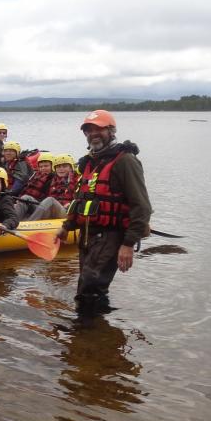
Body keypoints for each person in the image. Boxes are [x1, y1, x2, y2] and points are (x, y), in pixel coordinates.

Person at [57, 110, 152, 314]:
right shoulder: (89, 162)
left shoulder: (125, 160)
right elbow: (80, 199)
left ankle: (87, 334)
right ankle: (92, 332)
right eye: (89, 130)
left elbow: (141, 205)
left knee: (90, 287)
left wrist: (128, 244)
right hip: (88, 235)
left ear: (111, 130)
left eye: (99, 129)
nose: (93, 134)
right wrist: (67, 226)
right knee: (87, 283)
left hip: (110, 235)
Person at [25, 153, 79, 221]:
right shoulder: (52, 180)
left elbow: (80, 200)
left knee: (50, 200)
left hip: (67, 211)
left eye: (64, 166)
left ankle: (30, 223)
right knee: (26, 198)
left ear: (71, 168)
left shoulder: (77, 180)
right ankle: (12, 222)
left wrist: (71, 205)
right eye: (58, 167)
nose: (61, 169)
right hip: (52, 209)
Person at [13, 152, 55, 220]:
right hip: (32, 203)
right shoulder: (35, 176)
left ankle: (13, 222)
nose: (43, 168)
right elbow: (25, 189)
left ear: (52, 166)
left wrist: (26, 200)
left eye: (46, 166)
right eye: (41, 166)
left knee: (25, 198)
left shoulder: (52, 179)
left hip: (42, 207)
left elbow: (48, 199)